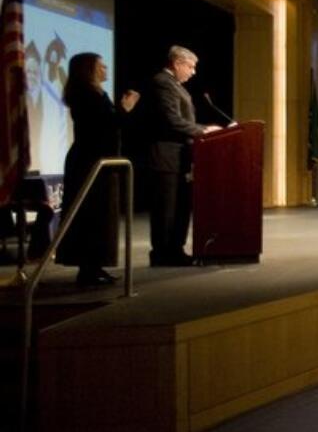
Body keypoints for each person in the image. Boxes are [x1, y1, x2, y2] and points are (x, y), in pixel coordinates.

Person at [57, 53, 140, 284]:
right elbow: (105, 125)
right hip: (89, 161)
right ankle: (88, 269)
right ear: (89, 70)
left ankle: (94, 266)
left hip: (97, 159)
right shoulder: (85, 94)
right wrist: (125, 108)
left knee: (100, 216)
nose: (106, 69)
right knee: (90, 215)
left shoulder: (92, 93)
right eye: (101, 66)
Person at [147, 46, 221, 266]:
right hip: (166, 156)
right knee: (166, 210)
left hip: (180, 157)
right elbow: (171, 120)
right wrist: (203, 130)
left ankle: (175, 250)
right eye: (190, 66)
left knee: (180, 207)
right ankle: (163, 253)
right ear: (177, 63)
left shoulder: (176, 86)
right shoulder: (162, 82)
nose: (193, 72)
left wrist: (204, 129)